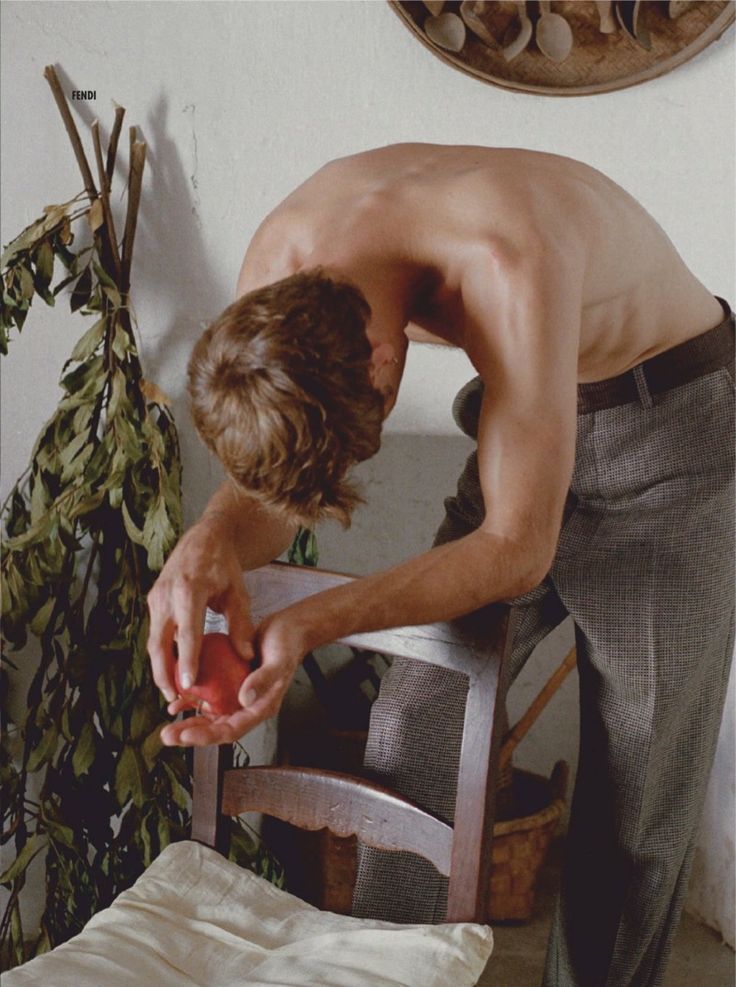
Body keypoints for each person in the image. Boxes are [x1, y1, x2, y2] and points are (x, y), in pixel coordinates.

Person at [147, 144, 734, 987]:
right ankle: (391, 974)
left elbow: (514, 549)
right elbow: (270, 485)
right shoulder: (281, 264)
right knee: (417, 714)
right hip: (527, 416)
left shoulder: (506, 260)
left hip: (667, 431)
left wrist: (314, 618)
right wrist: (206, 539)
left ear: (384, 369)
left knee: (638, 789)